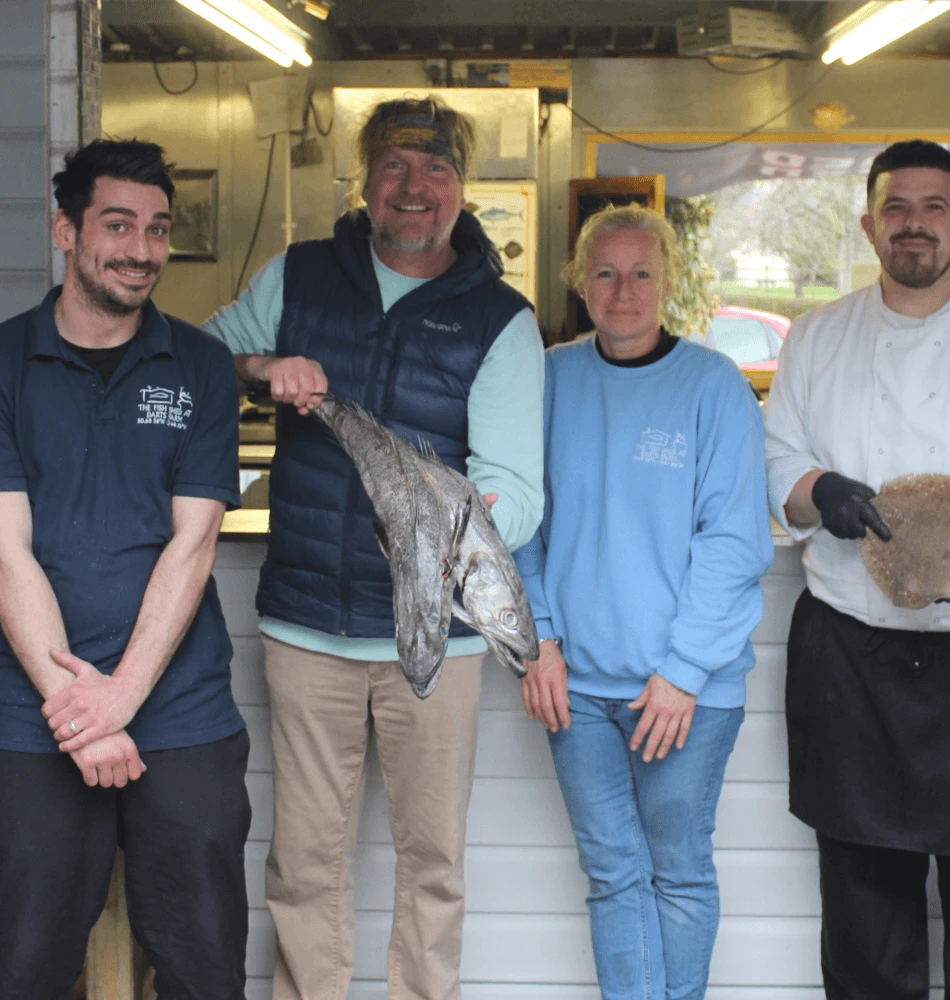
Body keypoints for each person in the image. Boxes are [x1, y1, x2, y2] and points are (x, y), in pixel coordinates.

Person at [203, 96, 544, 1000]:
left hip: (439, 645)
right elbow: (196, 358)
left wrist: (435, 528)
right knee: (305, 864)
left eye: (436, 169)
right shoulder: (299, 277)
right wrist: (259, 370)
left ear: (462, 190)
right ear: (365, 177)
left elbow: (520, 492)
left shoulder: (501, 319)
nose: (414, 186)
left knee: (433, 863)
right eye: (394, 164)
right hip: (308, 629)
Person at [0, 140, 250, 999]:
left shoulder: (200, 365)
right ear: (66, 231)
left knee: (203, 963)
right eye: (118, 225)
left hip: (180, 713)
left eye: (156, 229)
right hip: (29, 716)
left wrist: (122, 697)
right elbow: (4, 551)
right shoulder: (0, 364)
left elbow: (195, 542)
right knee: (24, 964)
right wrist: (81, 716)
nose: (141, 250)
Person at [514, 204, 772, 1000]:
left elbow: (733, 542)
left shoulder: (713, 386)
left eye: (641, 273)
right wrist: (540, 642)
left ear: (668, 283)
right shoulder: (549, 377)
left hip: (684, 691)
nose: (622, 291)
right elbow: (520, 523)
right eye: (604, 272)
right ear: (579, 282)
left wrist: (685, 670)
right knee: (613, 874)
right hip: (578, 690)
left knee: (680, 872)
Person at [765, 139, 950, 999]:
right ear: (868, 224)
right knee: (864, 924)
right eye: (897, 208)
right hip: (852, 656)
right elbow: (781, 458)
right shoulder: (820, 336)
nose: (915, 225)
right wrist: (816, 489)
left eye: (934, 208)